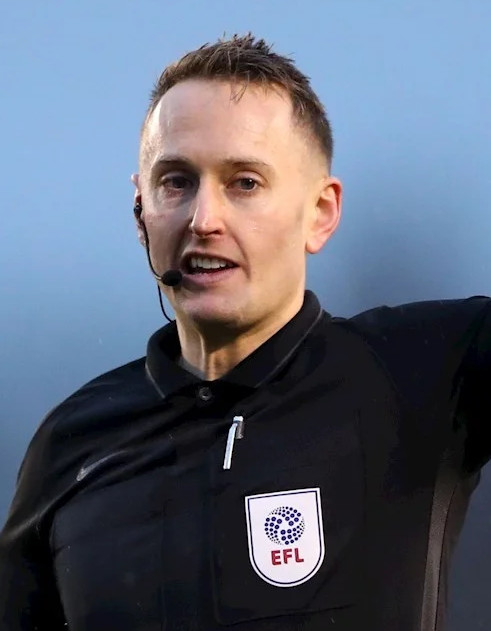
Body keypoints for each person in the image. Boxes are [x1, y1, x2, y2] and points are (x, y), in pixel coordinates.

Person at [0, 34, 490, 631]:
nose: (204, 219)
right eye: (176, 181)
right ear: (140, 213)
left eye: (245, 183)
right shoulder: (72, 446)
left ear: (320, 213)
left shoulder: (418, 371)